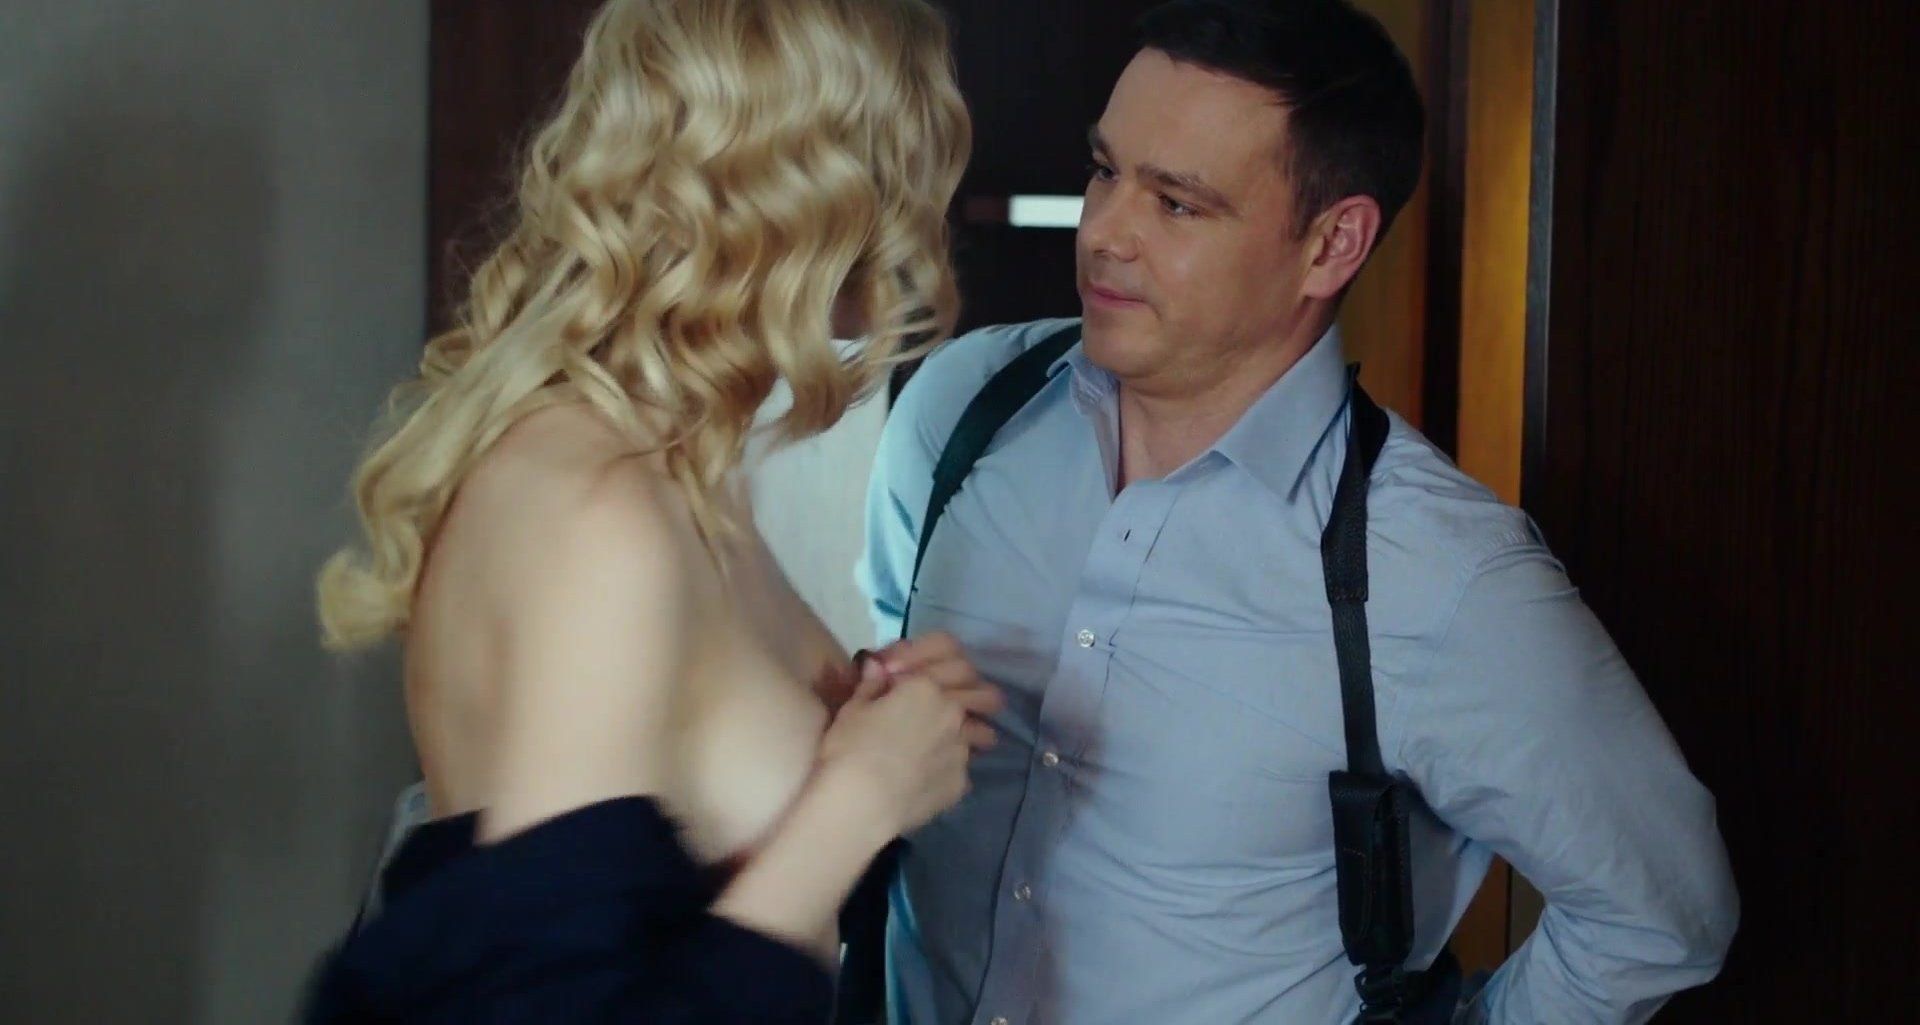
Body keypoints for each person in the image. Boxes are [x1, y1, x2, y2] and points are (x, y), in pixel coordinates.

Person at [856, 1, 1740, 1022]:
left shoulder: (1447, 578)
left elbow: (1663, 914)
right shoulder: (962, 408)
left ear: (1331, 244)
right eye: (1104, 171)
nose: (1103, 232)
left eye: (1176, 203)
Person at [302, 1, 1003, 1022]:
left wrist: (873, 732)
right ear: (818, 182)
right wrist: (859, 800)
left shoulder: (685, 467)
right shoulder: (600, 514)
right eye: (909, 161)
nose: (921, 217)